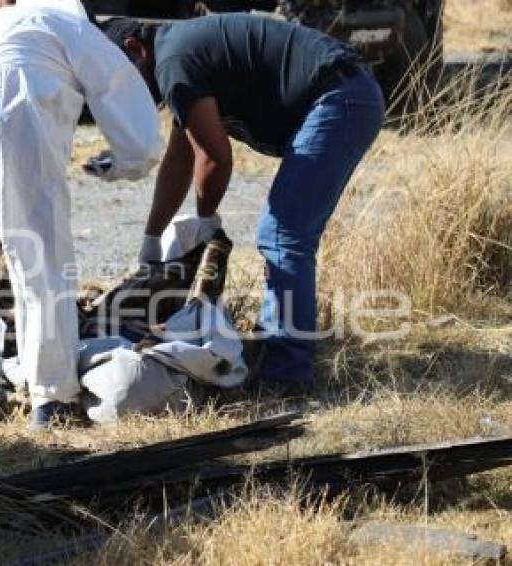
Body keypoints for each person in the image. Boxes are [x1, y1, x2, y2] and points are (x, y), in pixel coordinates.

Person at [102, 14, 385, 395]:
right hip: (342, 92)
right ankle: (274, 351)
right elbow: (180, 158)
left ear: (135, 51)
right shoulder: (173, 57)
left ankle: (285, 374)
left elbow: (215, 157)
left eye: (120, 80)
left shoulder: (173, 62)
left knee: (283, 232)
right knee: (283, 231)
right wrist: (151, 238)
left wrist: (206, 221)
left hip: (339, 95)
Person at [0, 4, 163, 428]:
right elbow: (122, 100)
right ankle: (52, 396)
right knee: (36, 251)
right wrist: (128, 162)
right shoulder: (69, 24)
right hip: (5, 98)